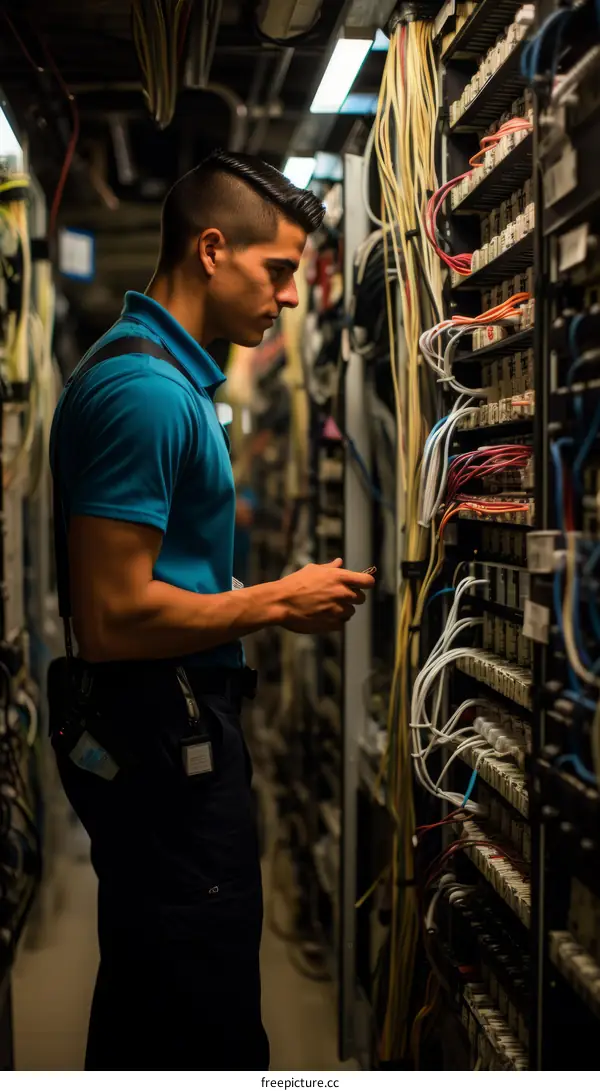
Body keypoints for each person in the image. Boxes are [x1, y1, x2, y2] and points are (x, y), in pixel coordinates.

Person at [48, 148, 375, 1072]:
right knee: (200, 1014)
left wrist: (243, 596)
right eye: (275, 272)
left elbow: (156, 580)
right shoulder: (144, 394)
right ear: (211, 248)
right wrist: (275, 599)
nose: (284, 298)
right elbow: (113, 617)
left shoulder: (164, 380)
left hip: (172, 729)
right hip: (163, 744)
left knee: (163, 994)